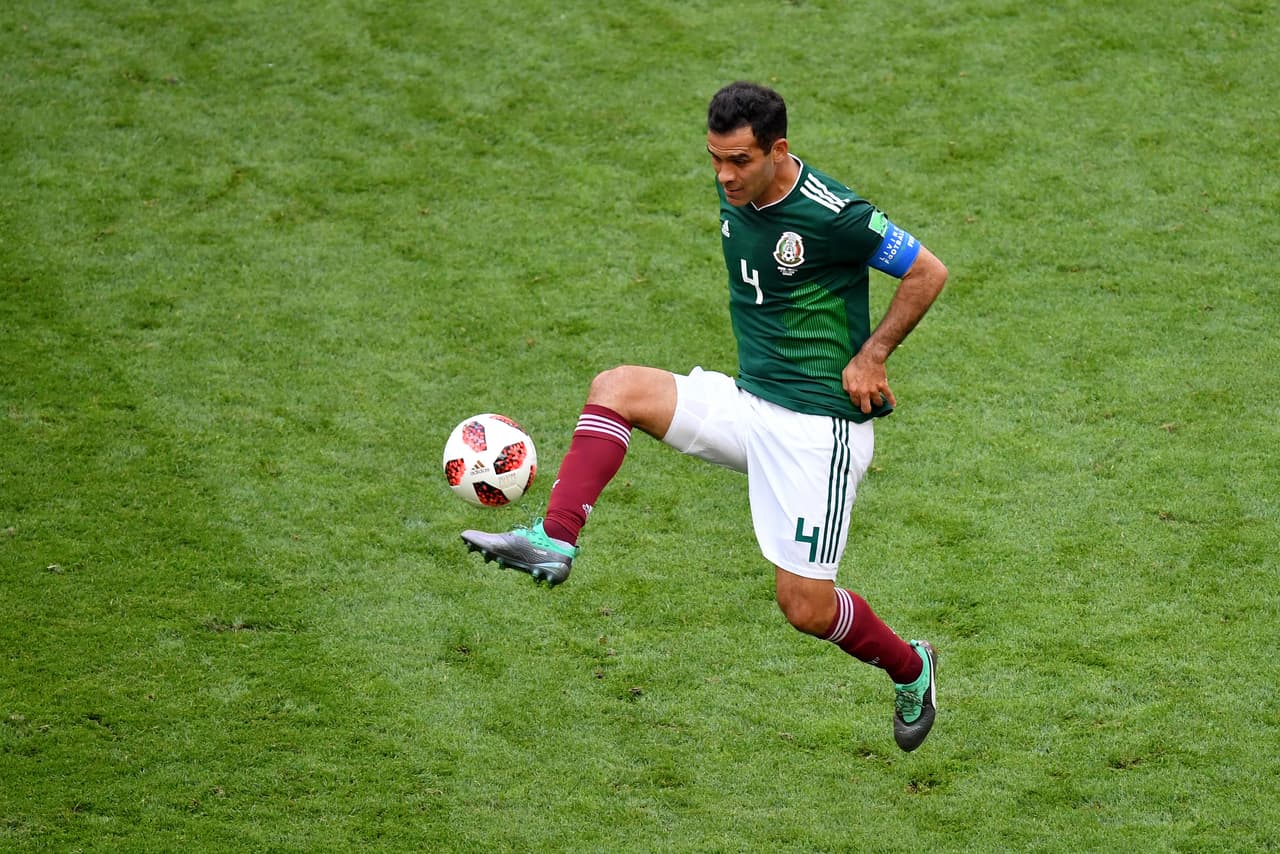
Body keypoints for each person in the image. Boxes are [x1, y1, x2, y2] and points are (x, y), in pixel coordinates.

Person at [462, 81, 949, 752]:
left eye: (739, 161)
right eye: (714, 159)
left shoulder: (835, 214)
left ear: (779, 150)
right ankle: (555, 539)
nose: (724, 176)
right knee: (617, 388)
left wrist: (873, 355)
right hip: (749, 403)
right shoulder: (739, 188)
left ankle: (912, 667)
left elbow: (928, 272)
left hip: (818, 431)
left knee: (804, 607)